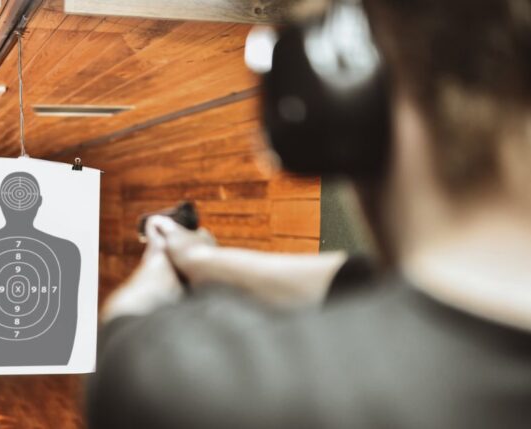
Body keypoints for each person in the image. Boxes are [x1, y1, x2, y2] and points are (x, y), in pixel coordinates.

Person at [88, 0, 531, 428]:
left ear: (343, 102)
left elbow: (126, 346)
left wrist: (161, 257)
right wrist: (203, 262)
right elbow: (367, 284)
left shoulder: (190, 390)